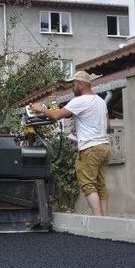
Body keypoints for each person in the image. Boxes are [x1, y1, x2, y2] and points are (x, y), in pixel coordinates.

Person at [30, 70, 111, 216]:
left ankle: (98, 220)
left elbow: (55, 116)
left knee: (87, 184)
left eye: (74, 84)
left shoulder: (80, 101)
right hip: (104, 146)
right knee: (100, 185)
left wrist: (41, 108)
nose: (72, 87)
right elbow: (107, 122)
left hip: (90, 148)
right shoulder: (100, 101)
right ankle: (106, 220)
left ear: (81, 84)